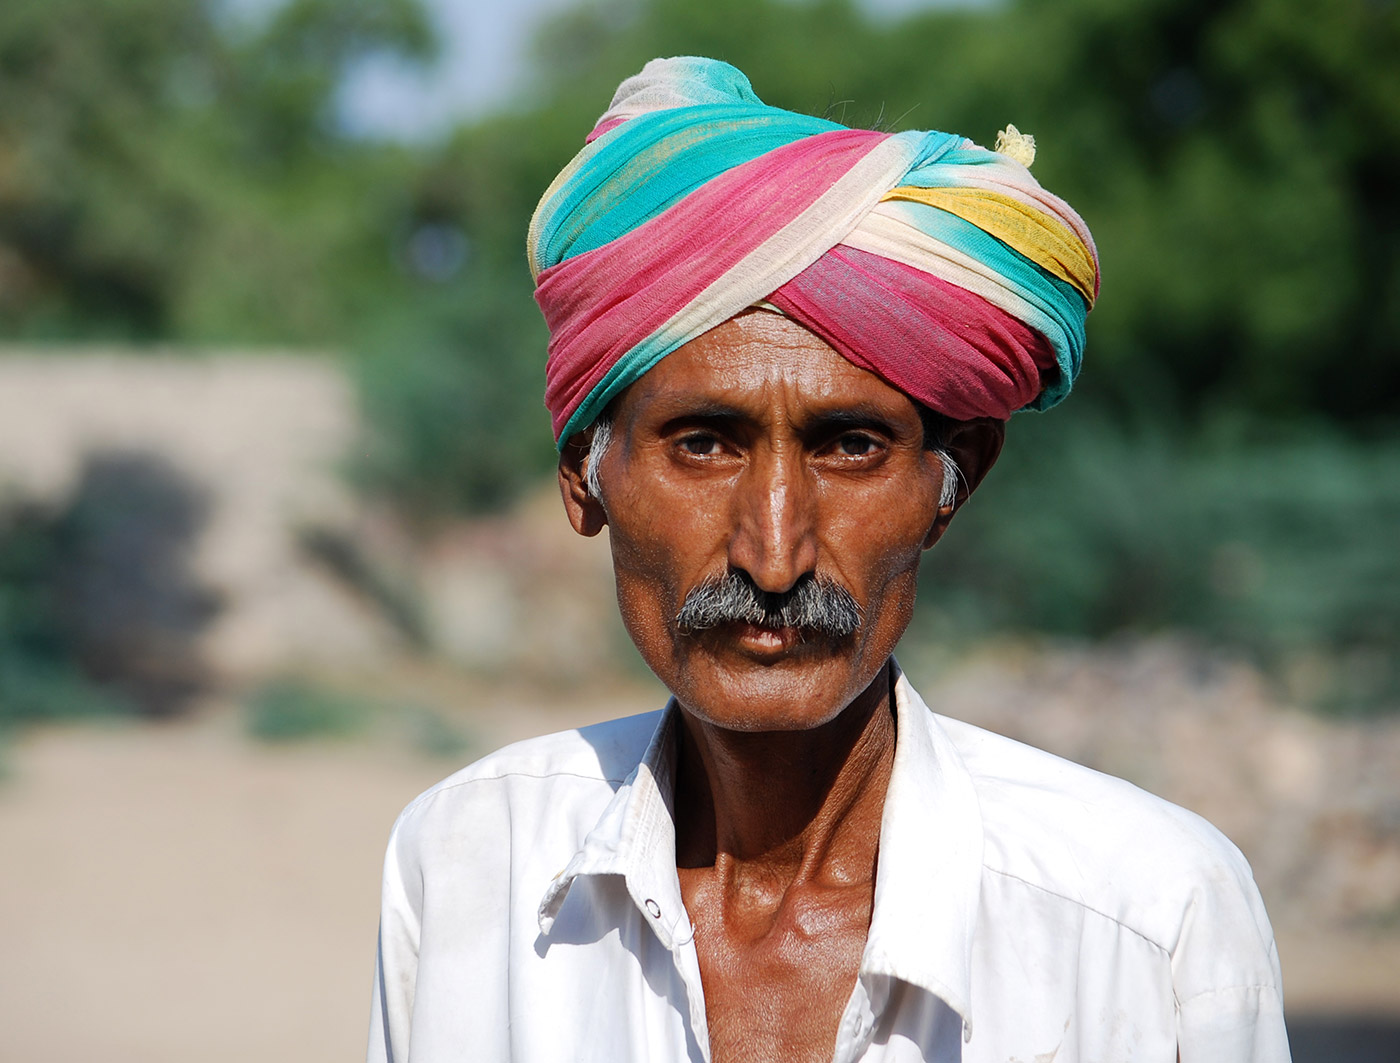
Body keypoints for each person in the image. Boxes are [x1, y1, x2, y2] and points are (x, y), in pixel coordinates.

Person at [368, 57, 1289, 1063]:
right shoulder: (470, 866)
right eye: (701, 443)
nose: (772, 554)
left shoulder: (1143, 918)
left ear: (954, 479)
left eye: (849, 445)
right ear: (585, 479)